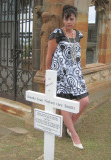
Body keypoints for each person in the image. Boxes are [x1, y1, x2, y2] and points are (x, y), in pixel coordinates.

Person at [45, 4, 89, 149]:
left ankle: (69, 126)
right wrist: (48, 73)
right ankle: (74, 135)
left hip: (75, 74)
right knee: (65, 103)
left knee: (84, 101)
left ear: (75, 19)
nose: (69, 21)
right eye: (66, 18)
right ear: (63, 19)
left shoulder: (79, 35)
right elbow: (49, 54)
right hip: (61, 75)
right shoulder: (56, 34)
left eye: (71, 18)